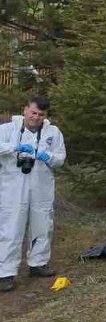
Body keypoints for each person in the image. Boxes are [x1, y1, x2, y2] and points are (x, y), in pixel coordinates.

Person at [0, 97, 66, 292]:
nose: (36, 117)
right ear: (25, 110)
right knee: (11, 228)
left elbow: (60, 159)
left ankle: (39, 263)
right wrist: (14, 147)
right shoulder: (7, 129)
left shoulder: (52, 133)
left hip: (41, 186)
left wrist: (49, 157)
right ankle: (5, 272)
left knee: (43, 225)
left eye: (40, 115)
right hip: (13, 187)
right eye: (33, 112)